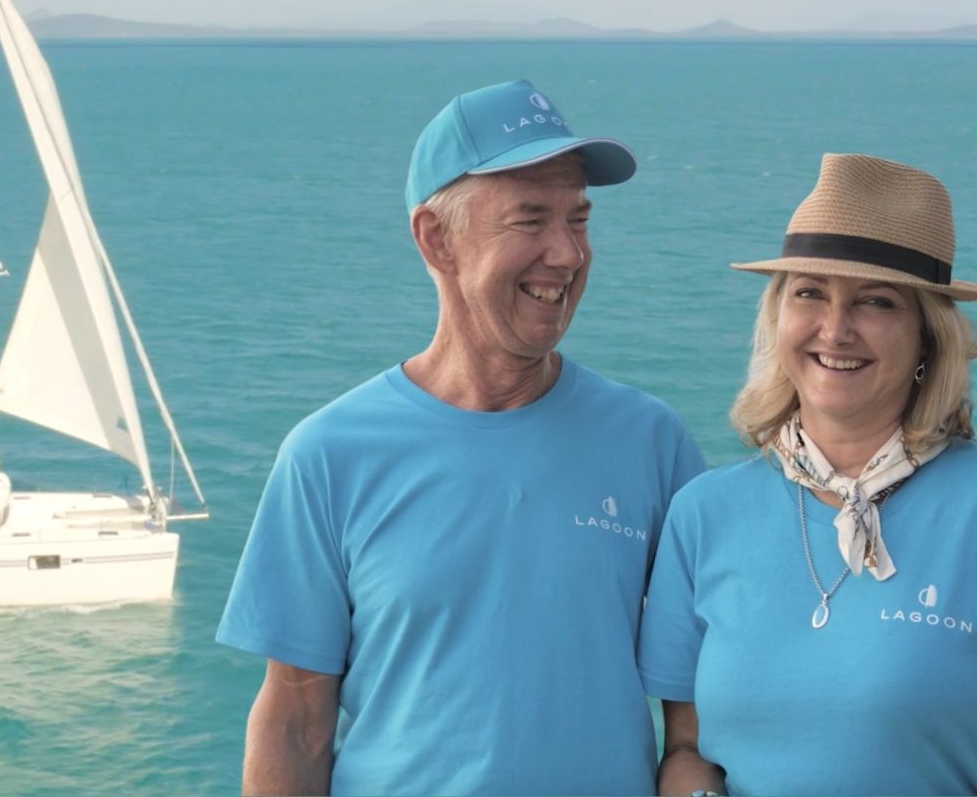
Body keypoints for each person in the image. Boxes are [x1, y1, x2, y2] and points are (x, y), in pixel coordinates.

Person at [217, 79, 707, 795]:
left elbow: (701, 705)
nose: (568, 254)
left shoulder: (652, 442)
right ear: (436, 238)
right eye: (530, 220)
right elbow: (296, 717)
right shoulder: (328, 455)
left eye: (579, 219)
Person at [639, 154, 977, 796]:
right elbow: (687, 748)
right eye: (809, 293)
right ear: (778, 317)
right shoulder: (703, 513)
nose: (836, 329)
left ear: (927, 339)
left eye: (876, 302)